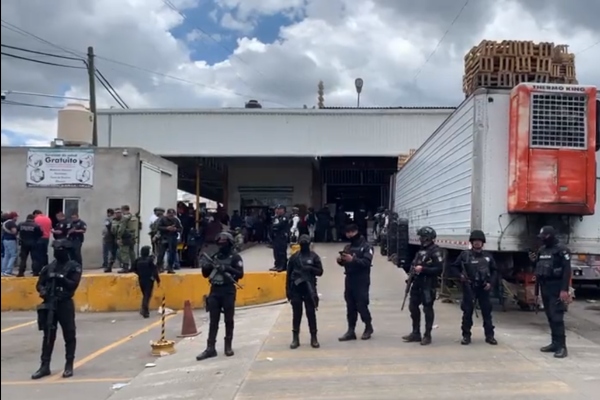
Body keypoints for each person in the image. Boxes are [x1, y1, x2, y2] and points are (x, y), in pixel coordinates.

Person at [31, 239, 82, 380]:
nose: (57, 253)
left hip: (64, 303)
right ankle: (44, 365)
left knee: (69, 334)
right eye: (55, 250)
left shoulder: (74, 267)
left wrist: (60, 278)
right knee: (48, 335)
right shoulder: (49, 267)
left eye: (60, 250)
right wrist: (43, 291)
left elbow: (73, 284)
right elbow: (39, 284)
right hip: (50, 303)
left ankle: (69, 364)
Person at [196, 231, 244, 361]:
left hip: (228, 290)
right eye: (220, 243)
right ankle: (210, 348)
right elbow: (205, 275)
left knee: (229, 319)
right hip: (215, 290)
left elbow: (240, 274)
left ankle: (228, 345)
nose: (221, 245)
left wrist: (227, 269)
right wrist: (206, 267)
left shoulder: (235, 257)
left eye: (224, 243)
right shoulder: (214, 256)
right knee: (213, 320)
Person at [450, 230, 498, 345]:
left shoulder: (488, 256)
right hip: (470, 287)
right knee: (467, 313)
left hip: (484, 288)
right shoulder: (465, 255)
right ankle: (466, 336)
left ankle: (490, 336)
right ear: (471, 242)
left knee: (487, 313)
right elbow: (454, 267)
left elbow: (495, 271)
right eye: (475, 241)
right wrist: (460, 276)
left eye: (479, 241)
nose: (477, 243)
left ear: (483, 243)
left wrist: (490, 283)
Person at [532, 225, 572, 358]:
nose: (543, 239)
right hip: (545, 287)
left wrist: (564, 290)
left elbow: (566, 271)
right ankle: (555, 343)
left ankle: (562, 347)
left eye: (545, 236)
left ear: (550, 236)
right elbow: (538, 270)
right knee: (550, 316)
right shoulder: (542, 250)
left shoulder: (562, 250)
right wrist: (536, 292)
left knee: (557, 317)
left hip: (557, 286)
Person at [402, 226, 443, 346]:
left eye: (422, 237)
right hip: (417, 283)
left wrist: (423, 269)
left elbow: (439, 269)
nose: (420, 239)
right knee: (413, 307)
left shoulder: (435, 251)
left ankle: (427, 335)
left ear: (428, 238)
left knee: (427, 309)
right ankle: (416, 333)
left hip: (428, 284)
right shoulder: (420, 251)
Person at [337, 223, 374, 341]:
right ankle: (351, 330)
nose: (350, 235)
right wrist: (341, 261)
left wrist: (353, 259)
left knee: (362, 304)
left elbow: (366, 263)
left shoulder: (367, 247)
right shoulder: (348, 247)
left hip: (361, 279)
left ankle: (368, 327)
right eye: (348, 233)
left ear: (357, 231)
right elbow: (344, 263)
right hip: (350, 278)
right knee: (350, 305)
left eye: (352, 232)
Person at [286, 234, 323, 349]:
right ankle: (295, 338)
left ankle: (314, 337)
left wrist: (310, 269)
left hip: (309, 288)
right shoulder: (294, 257)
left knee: (311, 313)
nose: (304, 245)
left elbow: (320, 272)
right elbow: (288, 274)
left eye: (306, 243)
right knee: (296, 314)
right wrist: (287, 290)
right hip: (296, 289)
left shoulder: (314, 257)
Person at [131, 246, 161, 318]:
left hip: (141, 279)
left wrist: (139, 273)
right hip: (149, 280)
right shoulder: (150, 260)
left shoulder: (137, 260)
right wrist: (158, 280)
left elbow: (132, 269)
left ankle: (143, 309)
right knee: (147, 295)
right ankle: (145, 311)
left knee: (145, 295)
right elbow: (155, 271)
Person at [155, 208, 182, 274]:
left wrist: (175, 229)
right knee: (161, 253)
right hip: (164, 238)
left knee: (172, 253)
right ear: (167, 214)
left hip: (173, 238)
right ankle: (159, 267)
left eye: (172, 215)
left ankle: (170, 267)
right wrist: (166, 228)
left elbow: (180, 228)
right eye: (170, 215)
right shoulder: (162, 219)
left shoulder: (176, 220)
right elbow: (158, 227)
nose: (171, 216)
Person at [115, 205, 138, 274]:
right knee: (132, 252)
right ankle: (134, 267)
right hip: (133, 236)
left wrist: (119, 237)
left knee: (124, 252)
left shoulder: (124, 218)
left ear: (123, 210)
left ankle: (125, 267)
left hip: (126, 237)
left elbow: (121, 228)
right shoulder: (134, 217)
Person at [269, 205, 289, 272]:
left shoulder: (284, 217)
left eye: (280, 209)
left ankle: (282, 266)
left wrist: (275, 227)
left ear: (283, 210)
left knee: (281, 252)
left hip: (282, 237)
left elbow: (280, 225)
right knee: (276, 252)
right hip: (276, 237)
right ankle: (277, 265)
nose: (278, 211)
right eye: (277, 209)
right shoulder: (275, 218)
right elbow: (272, 226)